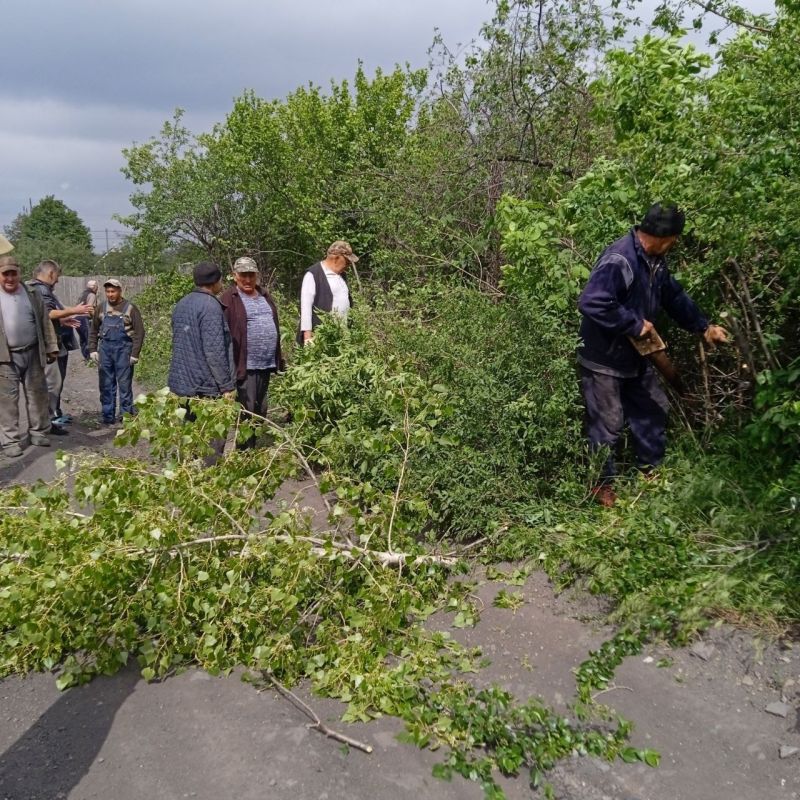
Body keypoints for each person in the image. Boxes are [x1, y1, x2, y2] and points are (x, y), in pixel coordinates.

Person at [577, 203, 728, 507]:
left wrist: (703, 327)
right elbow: (592, 302)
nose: (675, 244)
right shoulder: (621, 259)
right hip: (603, 359)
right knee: (608, 423)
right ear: (666, 236)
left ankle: (650, 473)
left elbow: (673, 296)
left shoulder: (655, 261)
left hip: (636, 355)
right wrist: (634, 323)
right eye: (675, 238)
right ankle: (600, 488)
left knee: (653, 408)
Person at [0, 256, 59, 458]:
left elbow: (45, 321)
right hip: (5, 358)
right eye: (5, 274)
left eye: (13, 273)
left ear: (19, 273)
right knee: (7, 402)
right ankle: (10, 441)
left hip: (33, 352)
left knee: (38, 395)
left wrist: (51, 347)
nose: (9, 278)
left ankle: (39, 431)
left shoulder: (31, 293)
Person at [220, 257, 283, 447]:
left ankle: (251, 447)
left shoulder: (264, 294)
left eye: (251, 275)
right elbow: (223, 332)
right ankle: (243, 451)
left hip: (265, 364)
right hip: (245, 365)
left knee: (261, 409)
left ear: (256, 275)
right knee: (247, 410)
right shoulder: (229, 299)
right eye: (243, 275)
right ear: (234, 276)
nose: (247, 280)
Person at [27, 260, 92, 433]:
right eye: (57, 277)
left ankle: (48, 419)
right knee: (51, 384)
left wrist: (62, 320)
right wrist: (74, 310)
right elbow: (48, 312)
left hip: (48, 342)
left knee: (52, 383)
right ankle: (47, 422)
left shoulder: (36, 288)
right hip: (47, 345)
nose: (57, 281)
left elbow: (45, 316)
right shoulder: (41, 289)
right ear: (50, 274)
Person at [168, 261, 235, 401]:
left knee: (188, 422)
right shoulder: (211, 306)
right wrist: (226, 386)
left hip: (181, 383)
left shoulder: (182, 303)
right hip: (203, 387)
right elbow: (214, 352)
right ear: (215, 281)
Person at [88, 279, 145, 424]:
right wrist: (93, 349)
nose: (110, 294)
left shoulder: (130, 308)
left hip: (124, 351)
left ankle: (126, 416)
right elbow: (94, 330)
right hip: (105, 351)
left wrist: (134, 354)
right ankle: (108, 416)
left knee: (124, 386)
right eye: (108, 291)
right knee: (106, 384)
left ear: (120, 291)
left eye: (113, 291)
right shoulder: (101, 308)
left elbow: (139, 332)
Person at [296, 240, 357, 345]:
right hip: (321, 339)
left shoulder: (341, 275)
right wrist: (308, 339)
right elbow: (306, 309)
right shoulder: (313, 275)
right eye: (346, 261)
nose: (349, 265)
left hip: (342, 338)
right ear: (336, 257)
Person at [76, 279, 99, 361]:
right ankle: (90, 358)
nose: (97, 288)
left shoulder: (83, 294)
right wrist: (96, 319)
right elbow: (90, 308)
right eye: (97, 287)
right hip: (84, 317)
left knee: (82, 339)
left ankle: (86, 357)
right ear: (94, 287)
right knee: (89, 338)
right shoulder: (92, 295)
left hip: (76, 317)